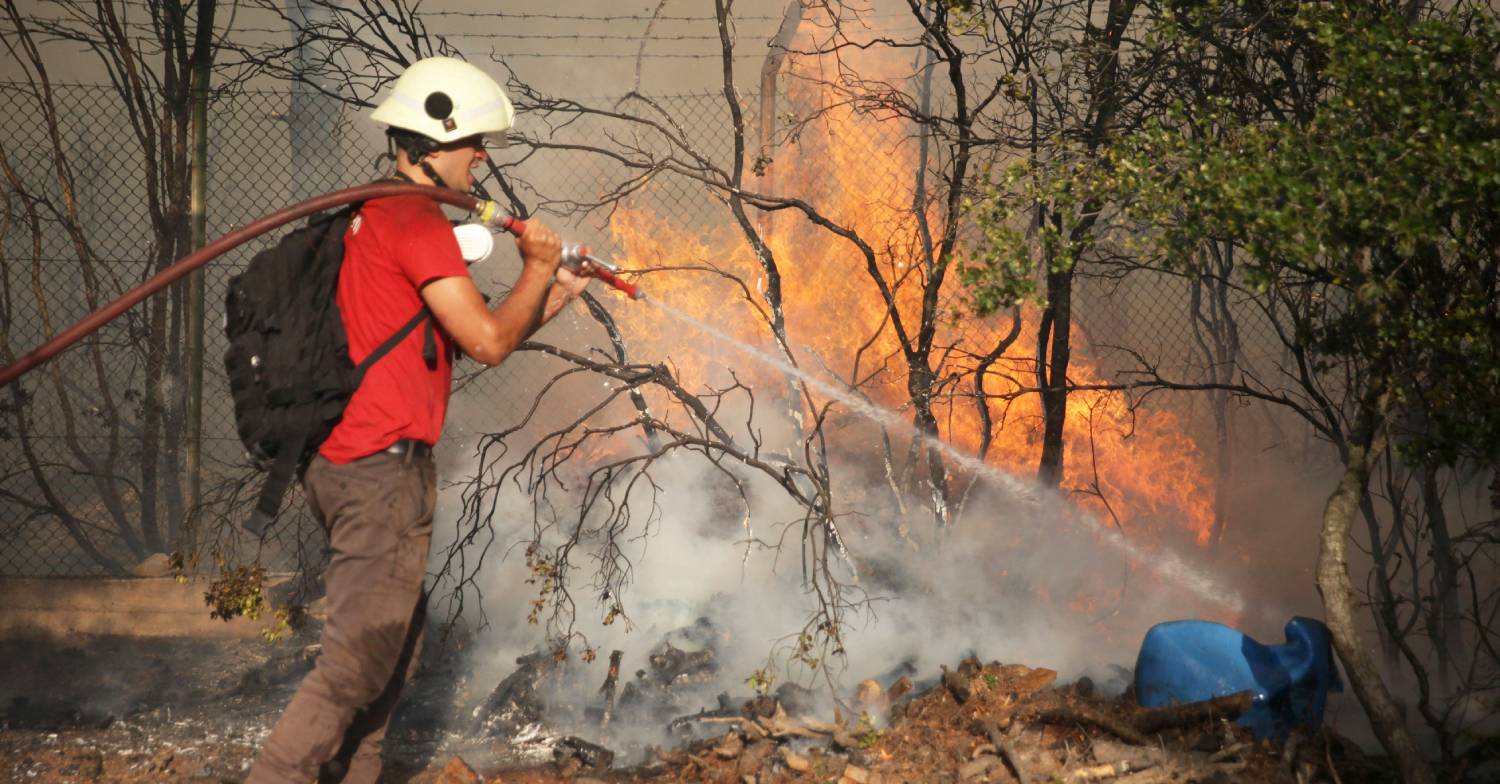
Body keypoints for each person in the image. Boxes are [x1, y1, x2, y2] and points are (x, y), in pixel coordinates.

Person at [247, 56, 591, 783]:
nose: (483, 161)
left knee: (391, 652)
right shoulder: (417, 222)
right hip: (378, 472)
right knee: (355, 664)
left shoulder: (373, 219)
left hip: (356, 464)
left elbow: (453, 343)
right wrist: (535, 266)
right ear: (435, 147)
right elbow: (490, 343)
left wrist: (551, 292)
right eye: (474, 147)